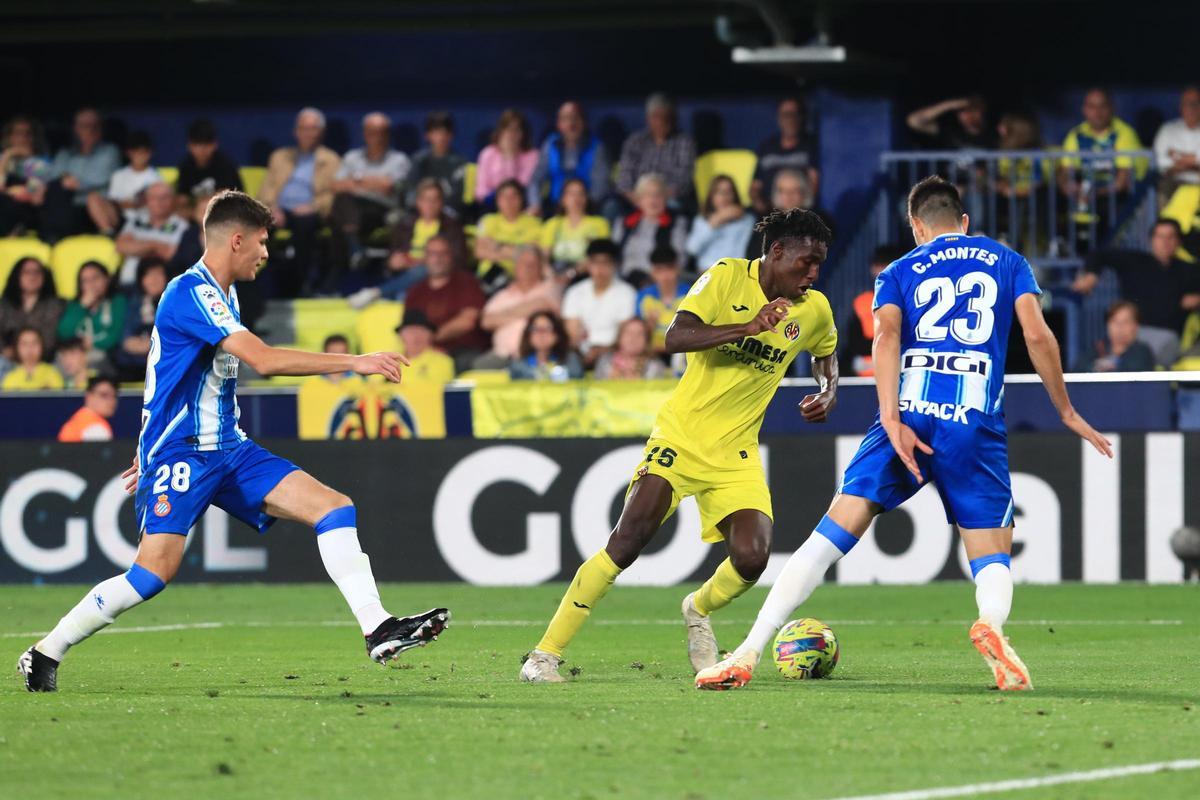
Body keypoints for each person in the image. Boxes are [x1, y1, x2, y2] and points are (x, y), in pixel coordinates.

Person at [18, 190, 450, 693]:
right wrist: (355, 361)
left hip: (231, 448)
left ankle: (377, 628)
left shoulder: (225, 294)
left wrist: (145, 438)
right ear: (237, 240)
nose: (266, 253)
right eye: (262, 242)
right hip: (183, 452)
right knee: (151, 575)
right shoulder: (190, 293)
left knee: (334, 508)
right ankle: (45, 651)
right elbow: (263, 360)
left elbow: (168, 373)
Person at [694, 177, 1112, 693]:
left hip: (908, 413)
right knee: (991, 555)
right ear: (963, 222)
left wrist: (891, 418)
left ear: (916, 226)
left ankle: (747, 651)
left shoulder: (898, 271)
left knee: (827, 539)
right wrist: (1066, 411)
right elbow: (1037, 335)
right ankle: (991, 625)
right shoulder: (1007, 261)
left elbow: (887, 336)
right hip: (973, 419)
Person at [520, 209, 840, 683]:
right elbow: (675, 337)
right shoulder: (727, 277)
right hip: (681, 436)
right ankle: (543, 656)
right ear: (777, 252)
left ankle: (697, 608)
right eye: (806, 262)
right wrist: (746, 328)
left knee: (753, 558)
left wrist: (828, 391)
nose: (813, 273)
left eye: (819, 264)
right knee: (627, 541)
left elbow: (826, 353)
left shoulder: (814, 309)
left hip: (736, 453)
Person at [1072, 218, 1200, 366]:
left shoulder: (1189, 270)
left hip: (1166, 340)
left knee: (1140, 353)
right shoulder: (1135, 261)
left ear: (1178, 241)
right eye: (1160, 236)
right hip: (1130, 333)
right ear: (1151, 240)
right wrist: (1091, 276)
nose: (1165, 242)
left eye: (1170, 237)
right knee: (1090, 361)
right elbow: (1098, 254)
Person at [258, 107, 342, 296]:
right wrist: (272, 208)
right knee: (256, 226)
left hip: (311, 211)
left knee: (305, 226)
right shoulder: (279, 157)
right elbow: (266, 189)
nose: (308, 133)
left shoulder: (331, 160)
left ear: (321, 132)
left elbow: (333, 194)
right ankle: (252, 285)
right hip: (279, 209)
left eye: (313, 128)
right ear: (296, 131)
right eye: (304, 128)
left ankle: (301, 284)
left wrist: (313, 206)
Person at [329, 112, 412, 276]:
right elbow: (336, 185)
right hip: (355, 210)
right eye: (372, 132)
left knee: (340, 212)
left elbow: (388, 186)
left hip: (383, 209)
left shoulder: (399, 159)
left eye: (382, 132)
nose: (378, 137)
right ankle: (350, 256)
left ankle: (350, 257)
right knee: (341, 202)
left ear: (388, 135)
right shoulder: (352, 157)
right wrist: (374, 182)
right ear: (365, 134)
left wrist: (356, 180)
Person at [403, 234, 489, 370]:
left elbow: (467, 321)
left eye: (443, 253)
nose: (438, 259)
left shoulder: (467, 282)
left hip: (463, 350)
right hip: (426, 353)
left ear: (451, 256)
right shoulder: (415, 291)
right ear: (425, 257)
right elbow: (408, 329)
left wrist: (431, 340)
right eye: (432, 254)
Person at [1057, 88, 1142, 219]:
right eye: (1092, 106)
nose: (1097, 112)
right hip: (1085, 192)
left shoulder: (1124, 133)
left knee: (1114, 205)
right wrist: (1068, 187)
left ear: (1112, 108)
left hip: (1113, 194)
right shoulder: (1076, 134)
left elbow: (1122, 182)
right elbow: (1065, 171)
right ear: (1084, 110)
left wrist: (1096, 193)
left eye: (1103, 106)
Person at [476, 245, 561, 369]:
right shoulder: (503, 295)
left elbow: (544, 304)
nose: (528, 267)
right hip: (503, 356)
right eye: (523, 263)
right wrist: (528, 309)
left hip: (539, 356)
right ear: (515, 266)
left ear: (540, 268)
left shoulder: (550, 288)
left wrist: (504, 315)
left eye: (533, 264)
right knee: (473, 370)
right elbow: (486, 322)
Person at [41, 108, 121, 241]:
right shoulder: (64, 154)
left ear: (101, 129)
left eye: (95, 126)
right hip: (67, 208)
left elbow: (100, 178)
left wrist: (70, 181)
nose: (90, 130)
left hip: (97, 208)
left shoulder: (110, 151)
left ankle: (109, 235)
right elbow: (52, 179)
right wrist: (63, 181)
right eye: (84, 126)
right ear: (75, 129)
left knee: (92, 198)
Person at [561, 238, 638, 367]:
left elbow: (624, 334)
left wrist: (601, 352)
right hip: (580, 355)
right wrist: (583, 352)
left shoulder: (627, 293)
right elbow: (572, 333)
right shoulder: (575, 292)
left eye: (605, 263)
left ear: (615, 265)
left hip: (614, 354)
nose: (600, 269)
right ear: (588, 264)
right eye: (595, 263)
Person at [526, 101, 610, 216]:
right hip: (555, 205)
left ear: (584, 122)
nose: (571, 124)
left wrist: (578, 205)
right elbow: (536, 180)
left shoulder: (597, 147)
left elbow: (600, 186)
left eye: (575, 118)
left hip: (588, 207)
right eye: (565, 119)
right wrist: (535, 204)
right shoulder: (550, 145)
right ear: (559, 124)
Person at [615, 93, 696, 207]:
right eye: (655, 116)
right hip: (636, 198)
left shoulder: (684, 142)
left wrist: (656, 199)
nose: (661, 121)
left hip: (668, 198)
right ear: (647, 118)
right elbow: (624, 178)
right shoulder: (634, 142)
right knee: (612, 206)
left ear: (674, 118)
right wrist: (639, 200)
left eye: (666, 117)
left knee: (674, 205)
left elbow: (683, 181)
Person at [839, 245, 907, 378]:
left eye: (887, 266)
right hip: (865, 378)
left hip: (902, 376)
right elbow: (854, 345)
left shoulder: (912, 300)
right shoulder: (862, 302)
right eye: (878, 265)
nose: (882, 271)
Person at [613, 173, 688, 284]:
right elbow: (613, 256)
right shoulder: (624, 221)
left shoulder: (676, 222)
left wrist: (661, 276)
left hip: (660, 282)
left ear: (665, 198)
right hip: (625, 280)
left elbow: (680, 259)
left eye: (658, 195)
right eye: (647, 195)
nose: (653, 200)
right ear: (638, 200)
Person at [751, 97, 820, 214]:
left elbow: (814, 181)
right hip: (770, 212)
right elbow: (755, 186)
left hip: (801, 212)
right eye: (785, 115)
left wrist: (802, 210)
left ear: (802, 117)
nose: (790, 119)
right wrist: (760, 206)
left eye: (794, 114)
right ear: (779, 118)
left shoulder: (811, 145)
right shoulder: (766, 147)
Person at [115, 182, 189, 285]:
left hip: (161, 286)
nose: (159, 202)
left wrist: (137, 245)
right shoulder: (136, 220)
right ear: (147, 200)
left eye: (164, 197)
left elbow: (171, 255)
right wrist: (153, 245)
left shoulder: (182, 226)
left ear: (173, 200)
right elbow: (121, 246)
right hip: (128, 282)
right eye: (153, 197)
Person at [474, 178, 542, 290]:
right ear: (498, 200)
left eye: (514, 196)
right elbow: (479, 252)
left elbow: (528, 255)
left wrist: (497, 246)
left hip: (517, 277)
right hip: (487, 276)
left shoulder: (534, 223)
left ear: (521, 199)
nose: (509, 201)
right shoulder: (487, 220)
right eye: (504, 197)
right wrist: (514, 251)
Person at [57, 261, 127, 369]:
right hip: (74, 356)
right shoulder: (75, 305)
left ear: (107, 279)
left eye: (95, 278)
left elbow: (114, 336)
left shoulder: (118, 302)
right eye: (85, 280)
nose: (91, 284)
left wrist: (90, 343)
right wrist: (82, 306)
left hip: (104, 357)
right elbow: (64, 333)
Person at [94, 130, 162, 235]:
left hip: (145, 221)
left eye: (144, 152)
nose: (140, 155)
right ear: (129, 153)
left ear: (150, 153)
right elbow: (113, 202)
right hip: (121, 220)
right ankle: (109, 233)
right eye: (136, 152)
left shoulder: (156, 177)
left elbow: (156, 205)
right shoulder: (118, 175)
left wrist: (135, 203)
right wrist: (132, 203)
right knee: (93, 198)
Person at [539, 177, 610, 274]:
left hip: (586, 274)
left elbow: (599, 257)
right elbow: (544, 257)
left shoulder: (599, 224)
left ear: (587, 198)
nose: (576, 198)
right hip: (556, 273)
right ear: (563, 199)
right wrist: (551, 275)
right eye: (571, 194)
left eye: (581, 194)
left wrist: (571, 274)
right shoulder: (552, 224)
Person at [402, 111, 467, 216]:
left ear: (451, 135)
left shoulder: (461, 163)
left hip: (448, 216)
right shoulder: (418, 161)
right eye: (436, 132)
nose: (441, 137)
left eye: (445, 133)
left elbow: (458, 199)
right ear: (427, 135)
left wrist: (438, 209)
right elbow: (411, 193)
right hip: (420, 215)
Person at [114, 257, 168, 380]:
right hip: (132, 364)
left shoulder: (173, 303)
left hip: (164, 362)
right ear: (140, 279)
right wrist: (150, 345)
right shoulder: (133, 302)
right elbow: (126, 340)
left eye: (158, 274)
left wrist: (149, 345)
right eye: (149, 274)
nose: (154, 279)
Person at [0, 257, 64, 359]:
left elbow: (52, 337)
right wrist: (7, 350)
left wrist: (32, 353)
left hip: (47, 359)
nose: (32, 276)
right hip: (8, 358)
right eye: (27, 272)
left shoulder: (55, 305)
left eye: (37, 272)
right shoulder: (4, 305)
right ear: (17, 276)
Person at [687, 174, 755, 270]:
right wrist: (715, 221)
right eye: (719, 192)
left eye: (728, 192)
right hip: (706, 271)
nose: (724, 197)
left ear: (735, 195)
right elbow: (692, 249)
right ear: (711, 196)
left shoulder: (746, 220)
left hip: (735, 271)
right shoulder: (702, 219)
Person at [0, 115, 52, 236]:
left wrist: (29, 159)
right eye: (18, 133)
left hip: (27, 209)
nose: (23, 138)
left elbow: (32, 195)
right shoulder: (3, 159)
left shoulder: (41, 163)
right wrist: (8, 156)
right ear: (9, 137)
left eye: (27, 134)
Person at [475, 109, 539, 205]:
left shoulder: (532, 155)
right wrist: (498, 199)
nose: (511, 134)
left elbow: (518, 188)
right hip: (491, 204)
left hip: (519, 205)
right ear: (500, 131)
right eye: (507, 129)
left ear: (523, 133)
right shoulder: (487, 153)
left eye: (516, 130)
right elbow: (480, 192)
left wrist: (510, 157)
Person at [635, 245, 691, 354]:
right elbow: (636, 333)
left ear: (677, 269)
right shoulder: (643, 296)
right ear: (652, 272)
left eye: (669, 269)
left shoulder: (690, 293)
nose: (665, 276)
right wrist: (648, 326)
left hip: (682, 353)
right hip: (651, 354)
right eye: (659, 270)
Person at [174, 118, 243, 206]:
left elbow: (225, 195)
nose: (202, 149)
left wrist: (202, 204)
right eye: (197, 144)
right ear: (189, 145)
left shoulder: (224, 164)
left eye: (207, 144)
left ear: (215, 145)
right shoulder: (186, 166)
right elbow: (182, 197)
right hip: (196, 210)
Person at [1080, 301, 1157, 373]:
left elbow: (1135, 371)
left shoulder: (1142, 351)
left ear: (1136, 326)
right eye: (1114, 321)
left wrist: (1109, 367)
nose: (1120, 327)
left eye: (1125, 322)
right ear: (1107, 325)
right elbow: (1078, 371)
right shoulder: (1097, 349)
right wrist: (1094, 367)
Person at [1153, 86, 1200, 202]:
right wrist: (1193, 163)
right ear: (1180, 107)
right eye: (1187, 104)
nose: (1191, 108)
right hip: (1174, 183)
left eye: (1195, 104)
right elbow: (1160, 162)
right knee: (1162, 185)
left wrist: (1177, 156)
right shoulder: (1168, 130)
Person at [508, 310, 583, 381]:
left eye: (547, 328)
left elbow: (575, 377)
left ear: (558, 334)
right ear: (528, 335)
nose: (541, 334)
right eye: (535, 329)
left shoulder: (570, 359)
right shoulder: (519, 364)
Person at [905, 95, 995, 150]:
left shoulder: (994, 133)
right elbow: (914, 121)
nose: (968, 115)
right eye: (962, 111)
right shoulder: (951, 131)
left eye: (973, 110)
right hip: (951, 176)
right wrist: (950, 105)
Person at [593, 318, 667, 380]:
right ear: (619, 337)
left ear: (646, 340)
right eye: (628, 333)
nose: (633, 338)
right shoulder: (605, 362)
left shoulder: (654, 365)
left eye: (639, 334)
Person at [396, 309, 456, 385]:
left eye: (422, 331)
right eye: (411, 332)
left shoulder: (442, 361)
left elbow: (437, 388)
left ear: (431, 336)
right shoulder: (391, 360)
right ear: (401, 335)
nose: (417, 337)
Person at [57, 376, 118, 442]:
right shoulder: (96, 429)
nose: (111, 401)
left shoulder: (79, 419)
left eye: (114, 396)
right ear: (89, 396)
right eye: (104, 395)